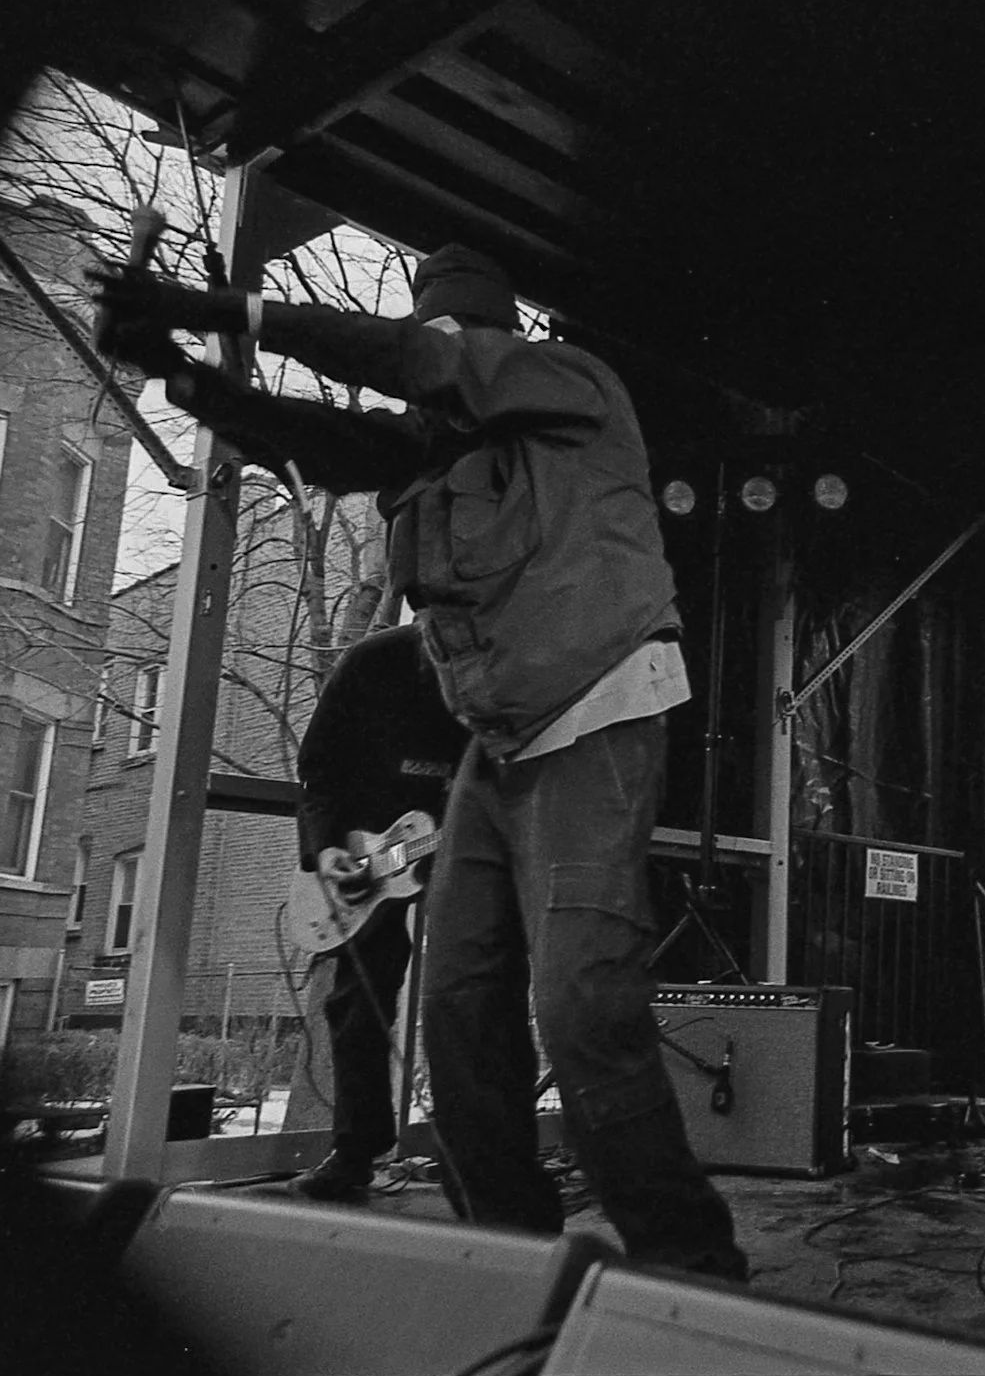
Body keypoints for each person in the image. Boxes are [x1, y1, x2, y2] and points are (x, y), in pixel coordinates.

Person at [89, 243, 748, 1280]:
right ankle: (510, 1250)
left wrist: (228, 308)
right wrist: (181, 372)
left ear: (482, 335)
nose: (424, 369)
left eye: (442, 338)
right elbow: (316, 437)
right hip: (499, 744)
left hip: (602, 708)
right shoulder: (428, 451)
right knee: (457, 1005)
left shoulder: (568, 386)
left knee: (580, 1003)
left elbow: (417, 358)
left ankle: (689, 1265)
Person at [288, 623, 468, 1200]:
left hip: (459, 846)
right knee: (356, 1002)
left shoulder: (496, 662)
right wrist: (326, 849)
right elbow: (317, 769)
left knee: (467, 991)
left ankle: (475, 1152)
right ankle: (355, 1151)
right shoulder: (370, 663)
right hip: (368, 860)